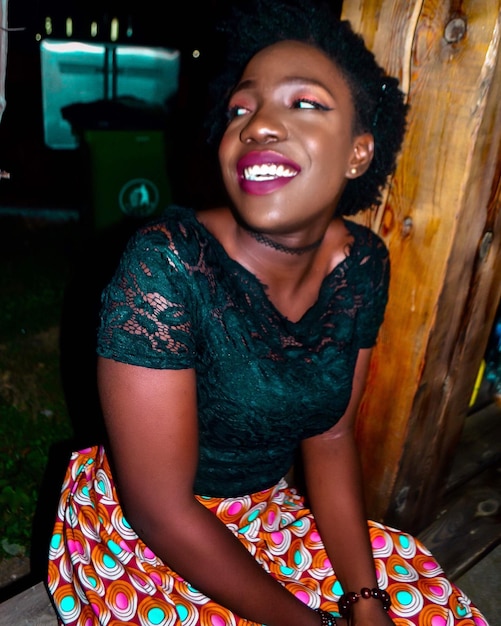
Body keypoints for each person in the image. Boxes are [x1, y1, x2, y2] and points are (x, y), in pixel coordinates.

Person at [47, 1, 489, 625]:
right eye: (241, 109)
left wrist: (364, 602)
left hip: (266, 515)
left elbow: (331, 437)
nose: (258, 125)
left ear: (359, 153)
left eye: (304, 103)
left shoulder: (361, 265)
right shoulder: (166, 267)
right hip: (144, 535)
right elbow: (161, 511)